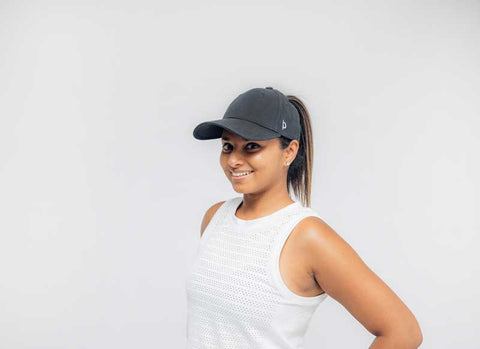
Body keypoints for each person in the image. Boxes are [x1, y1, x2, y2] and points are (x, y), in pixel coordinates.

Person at [185, 86, 423, 348]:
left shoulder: (306, 236)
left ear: (289, 151)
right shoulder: (215, 217)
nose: (233, 160)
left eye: (251, 147)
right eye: (228, 146)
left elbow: (403, 332)